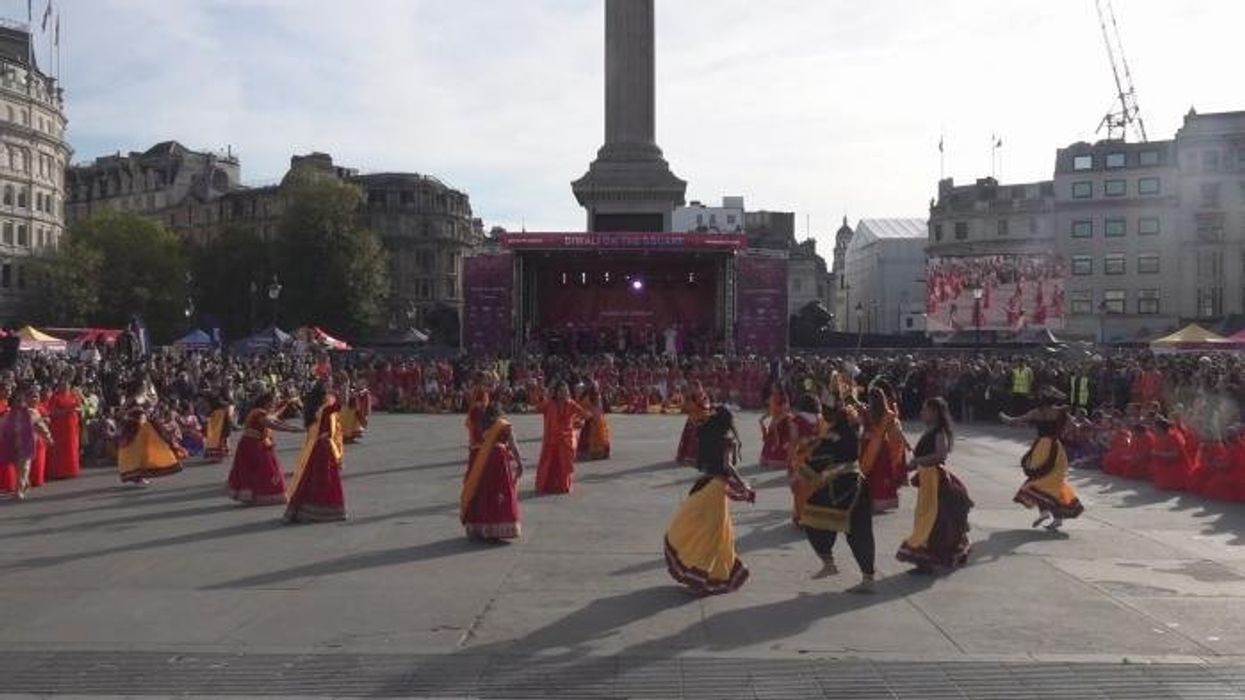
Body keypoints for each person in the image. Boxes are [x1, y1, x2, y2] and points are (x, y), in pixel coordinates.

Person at [664, 405, 755, 595]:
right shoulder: (727, 440)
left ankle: (700, 577)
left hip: (705, 485)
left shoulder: (706, 435)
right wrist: (743, 485)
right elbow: (727, 466)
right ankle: (701, 579)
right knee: (713, 536)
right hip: (716, 490)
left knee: (703, 531)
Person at [796, 389, 875, 593]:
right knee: (860, 532)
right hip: (857, 484)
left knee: (810, 519)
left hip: (839, 488)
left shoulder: (832, 436)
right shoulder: (851, 429)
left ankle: (829, 562)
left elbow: (814, 464)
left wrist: (801, 471)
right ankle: (867, 578)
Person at [897, 397, 973, 573]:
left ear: (935, 412)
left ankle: (927, 561)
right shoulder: (930, 430)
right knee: (933, 518)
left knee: (931, 519)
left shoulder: (939, 432)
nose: (922, 412)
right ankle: (936, 557)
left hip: (934, 479)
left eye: (925, 409)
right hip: (927, 479)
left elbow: (941, 455)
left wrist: (918, 460)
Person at [1001, 387, 1084, 531]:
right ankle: (1056, 518)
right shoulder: (1060, 412)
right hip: (1056, 448)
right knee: (1055, 482)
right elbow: (1076, 425)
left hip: (1041, 448)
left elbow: (1014, 420)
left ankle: (1046, 513)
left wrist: (1003, 416)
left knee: (1038, 482)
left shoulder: (1036, 412)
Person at [284, 383, 347, 523]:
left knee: (310, 478)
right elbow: (341, 404)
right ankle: (321, 512)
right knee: (325, 480)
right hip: (324, 448)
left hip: (314, 447)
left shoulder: (312, 409)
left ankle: (304, 510)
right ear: (323, 396)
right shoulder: (325, 409)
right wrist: (344, 386)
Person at [460, 403, 524, 541]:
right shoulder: (504, 425)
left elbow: (473, 445)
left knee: (485, 493)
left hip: (484, 461)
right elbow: (512, 445)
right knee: (500, 492)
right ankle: (500, 526)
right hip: (499, 462)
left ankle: (483, 527)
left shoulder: (481, 425)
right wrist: (519, 462)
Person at [226, 392, 303, 505]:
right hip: (252, 445)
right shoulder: (258, 413)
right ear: (267, 402)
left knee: (259, 470)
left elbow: (275, 419)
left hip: (255, 443)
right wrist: (291, 430)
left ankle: (258, 495)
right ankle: (265, 495)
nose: (275, 403)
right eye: (274, 401)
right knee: (266, 469)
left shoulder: (261, 412)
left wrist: (292, 428)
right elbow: (271, 424)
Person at [116, 379, 183, 485]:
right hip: (133, 428)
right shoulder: (131, 399)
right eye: (142, 386)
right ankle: (136, 476)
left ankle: (141, 475)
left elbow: (151, 409)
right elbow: (120, 413)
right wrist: (130, 414)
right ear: (137, 387)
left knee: (145, 452)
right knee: (134, 453)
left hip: (144, 429)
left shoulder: (145, 398)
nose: (144, 388)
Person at [0, 385, 53, 500]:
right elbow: (2, 429)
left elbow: (41, 426)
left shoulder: (31, 413)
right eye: (17, 401)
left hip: (27, 444)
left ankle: (18, 490)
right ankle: (25, 483)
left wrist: (48, 437)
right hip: (12, 445)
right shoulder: (8, 415)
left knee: (24, 467)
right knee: (17, 467)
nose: (19, 403)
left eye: (21, 401)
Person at [859, 387, 906, 513]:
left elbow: (860, 426)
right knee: (881, 473)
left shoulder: (866, 411)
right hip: (882, 447)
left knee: (868, 473)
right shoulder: (889, 414)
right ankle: (880, 502)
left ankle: (866, 501)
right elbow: (896, 433)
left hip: (868, 445)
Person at [535, 381, 585, 495]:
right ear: (556, 392)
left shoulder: (571, 404)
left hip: (565, 440)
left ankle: (563, 485)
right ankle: (547, 485)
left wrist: (577, 422)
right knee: (549, 463)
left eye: (565, 390)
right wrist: (541, 394)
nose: (563, 393)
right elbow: (537, 408)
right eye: (561, 391)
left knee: (564, 464)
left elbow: (584, 414)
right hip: (551, 439)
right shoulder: (549, 404)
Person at [675, 381, 710, 466]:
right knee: (689, 437)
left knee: (696, 438)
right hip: (692, 418)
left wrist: (694, 405)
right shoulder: (690, 396)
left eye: (694, 387)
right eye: (692, 388)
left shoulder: (703, 395)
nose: (693, 389)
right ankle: (686, 456)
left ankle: (695, 457)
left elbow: (705, 406)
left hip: (701, 419)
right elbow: (685, 407)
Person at [758, 385, 792, 470]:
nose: (772, 388)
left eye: (774, 387)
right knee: (763, 461)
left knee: (776, 462)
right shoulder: (772, 397)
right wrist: (763, 418)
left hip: (784, 423)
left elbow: (785, 413)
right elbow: (771, 410)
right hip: (775, 422)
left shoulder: (784, 399)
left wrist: (777, 422)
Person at [577, 381, 611, 461]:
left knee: (598, 436)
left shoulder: (596, 396)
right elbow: (581, 407)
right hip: (591, 418)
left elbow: (600, 408)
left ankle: (597, 453)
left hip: (596, 419)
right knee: (590, 436)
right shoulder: (586, 396)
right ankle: (591, 453)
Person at [203, 389, 235, 463]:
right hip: (216, 417)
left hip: (220, 417)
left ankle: (218, 455)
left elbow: (230, 402)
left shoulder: (221, 401)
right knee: (216, 437)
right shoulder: (213, 397)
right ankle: (216, 455)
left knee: (218, 437)